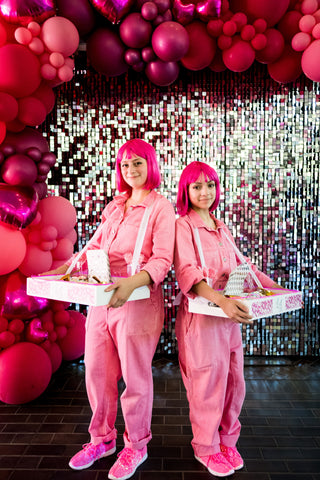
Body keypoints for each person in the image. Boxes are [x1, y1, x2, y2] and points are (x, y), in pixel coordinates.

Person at [45, 139, 175, 480]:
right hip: (102, 298)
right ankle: (102, 439)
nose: (131, 170)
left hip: (136, 299)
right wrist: (65, 269)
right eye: (125, 165)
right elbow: (95, 247)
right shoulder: (116, 205)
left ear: (151, 165)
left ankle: (136, 445)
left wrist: (130, 284)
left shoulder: (161, 207)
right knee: (97, 373)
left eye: (138, 163)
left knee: (135, 377)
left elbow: (163, 259)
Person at [174, 161, 283, 478]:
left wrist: (279, 291)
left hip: (228, 319)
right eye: (197, 186)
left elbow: (243, 269)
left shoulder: (222, 228)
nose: (204, 192)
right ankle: (205, 447)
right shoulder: (184, 226)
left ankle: (226, 440)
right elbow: (187, 273)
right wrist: (221, 299)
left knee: (235, 383)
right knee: (208, 385)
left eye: (210, 185)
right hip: (203, 319)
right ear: (187, 191)